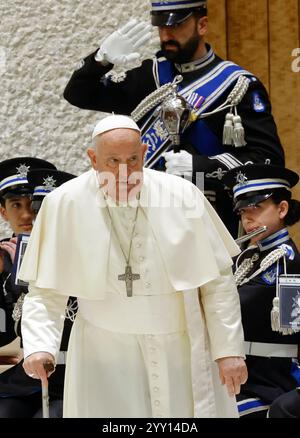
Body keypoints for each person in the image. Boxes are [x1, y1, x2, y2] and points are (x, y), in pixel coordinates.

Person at [20, 114, 247, 418]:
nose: (124, 172)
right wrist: (39, 346)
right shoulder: (65, 203)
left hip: (178, 348)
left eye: (132, 159)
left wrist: (228, 351)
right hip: (103, 353)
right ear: (92, 158)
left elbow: (217, 282)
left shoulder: (182, 196)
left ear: (143, 153)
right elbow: (44, 292)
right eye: (112, 161)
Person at [63, 0, 284, 235]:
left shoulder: (237, 85)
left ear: (201, 25)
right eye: (162, 26)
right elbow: (78, 94)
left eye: (176, 25)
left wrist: (201, 166)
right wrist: (101, 59)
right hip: (147, 215)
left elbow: (269, 160)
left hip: (208, 216)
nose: (166, 34)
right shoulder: (150, 76)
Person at [0, 159, 76, 418]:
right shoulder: (4, 257)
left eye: (35, 206)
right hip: (29, 375)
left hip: (76, 375)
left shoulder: (78, 250)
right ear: (3, 211)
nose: (27, 215)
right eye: (16, 205)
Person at [224, 164, 300, 418]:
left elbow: (290, 327)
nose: (247, 218)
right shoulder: (249, 257)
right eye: (243, 211)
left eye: (256, 207)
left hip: (270, 379)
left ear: (282, 209)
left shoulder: (287, 262)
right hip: (242, 371)